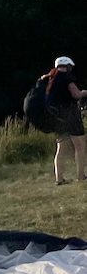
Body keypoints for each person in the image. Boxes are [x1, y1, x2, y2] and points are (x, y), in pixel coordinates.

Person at [47, 56, 87, 185]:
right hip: (71, 115)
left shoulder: (51, 78)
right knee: (80, 145)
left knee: (61, 148)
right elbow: (76, 94)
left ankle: (59, 179)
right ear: (67, 66)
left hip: (57, 116)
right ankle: (81, 176)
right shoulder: (67, 78)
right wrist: (83, 93)